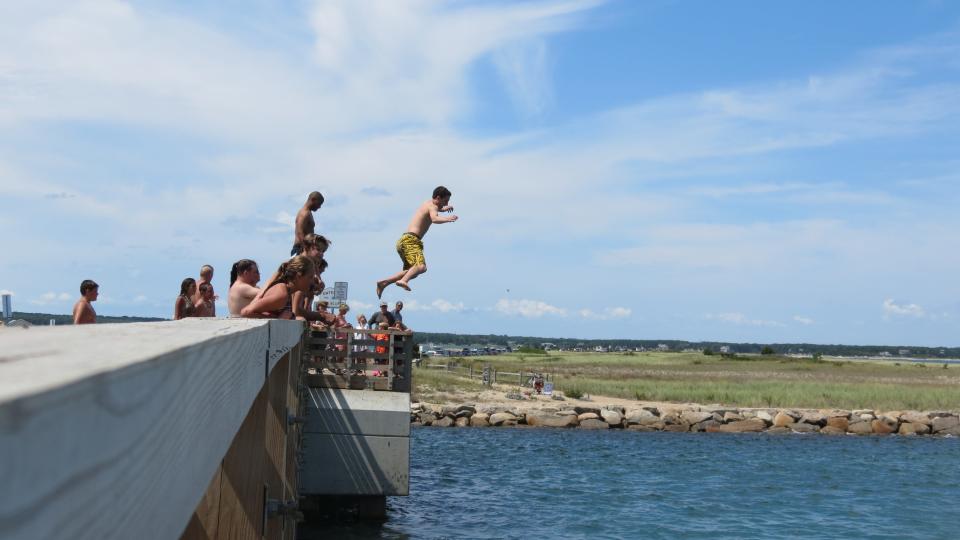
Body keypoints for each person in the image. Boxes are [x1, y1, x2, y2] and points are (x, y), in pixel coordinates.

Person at [376, 186, 457, 298]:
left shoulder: (427, 203)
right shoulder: (433, 207)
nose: (446, 203)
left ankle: (384, 283)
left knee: (412, 272)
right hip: (411, 241)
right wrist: (448, 219)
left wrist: (444, 208)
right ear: (438, 198)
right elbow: (434, 219)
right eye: (445, 201)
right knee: (421, 267)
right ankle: (403, 281)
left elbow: (436, 209)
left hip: (404, 241)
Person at [241, 256, 315, 319]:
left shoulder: (287, 291)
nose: (312, 282)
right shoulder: (282, 295)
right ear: (298, 276)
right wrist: (277, 319)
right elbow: (246, 312)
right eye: (310, 277)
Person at [292, 191, 324, 256]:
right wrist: (306, 249)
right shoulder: (304, 213)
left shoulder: (308, 213)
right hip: (300, 249)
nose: (319, 206)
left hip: (303, 248)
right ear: (313, 200)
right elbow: (299, 232)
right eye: (319, 203)